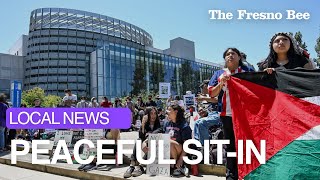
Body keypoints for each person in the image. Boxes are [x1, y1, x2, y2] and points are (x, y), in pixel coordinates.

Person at [208, 48, 254, 180]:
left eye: (233, 53)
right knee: (231, 146)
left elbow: (258, 87)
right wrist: (221, 82)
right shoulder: (218, 74)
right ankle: (231, 174)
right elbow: (212, 93)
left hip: (245, 115)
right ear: (225, 59)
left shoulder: (248, 72)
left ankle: (247, 172)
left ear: (239, 57)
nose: (230, 56)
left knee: (246, 144)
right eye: (227, 54)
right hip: (226, 115)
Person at [123, 107, 162, 178]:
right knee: (138, 140)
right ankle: (132, 165)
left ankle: (141, 166)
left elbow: (157, 133)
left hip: (155, 148)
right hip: (145, 145)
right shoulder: (145, 124)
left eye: (155, 113)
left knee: (152, 143)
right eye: (151, 113)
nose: (153, 116)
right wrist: (143, 125)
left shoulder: (159, 124)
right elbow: (141, 136)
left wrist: (146, 141)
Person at [163, 104, 192, 177]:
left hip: (180, 150)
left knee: (170, 142)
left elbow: (187, 144)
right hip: (169, 150)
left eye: (169, 110)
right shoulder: (167, 123)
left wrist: (180, 160)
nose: (167, 112)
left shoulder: (184, 126)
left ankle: (177, 166)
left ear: (175, 112)